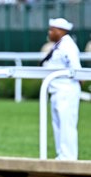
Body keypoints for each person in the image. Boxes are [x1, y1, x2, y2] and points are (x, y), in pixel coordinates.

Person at [40, 18, 81, 160]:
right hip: (56, 89)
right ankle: (61, 155)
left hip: (67, 89)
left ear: (60, 31)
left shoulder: (68, 46)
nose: (49, 32)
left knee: (66, 124)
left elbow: (77, 70)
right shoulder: (59, 45)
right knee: (58, 124)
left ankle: (69, 157)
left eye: (52, 30)